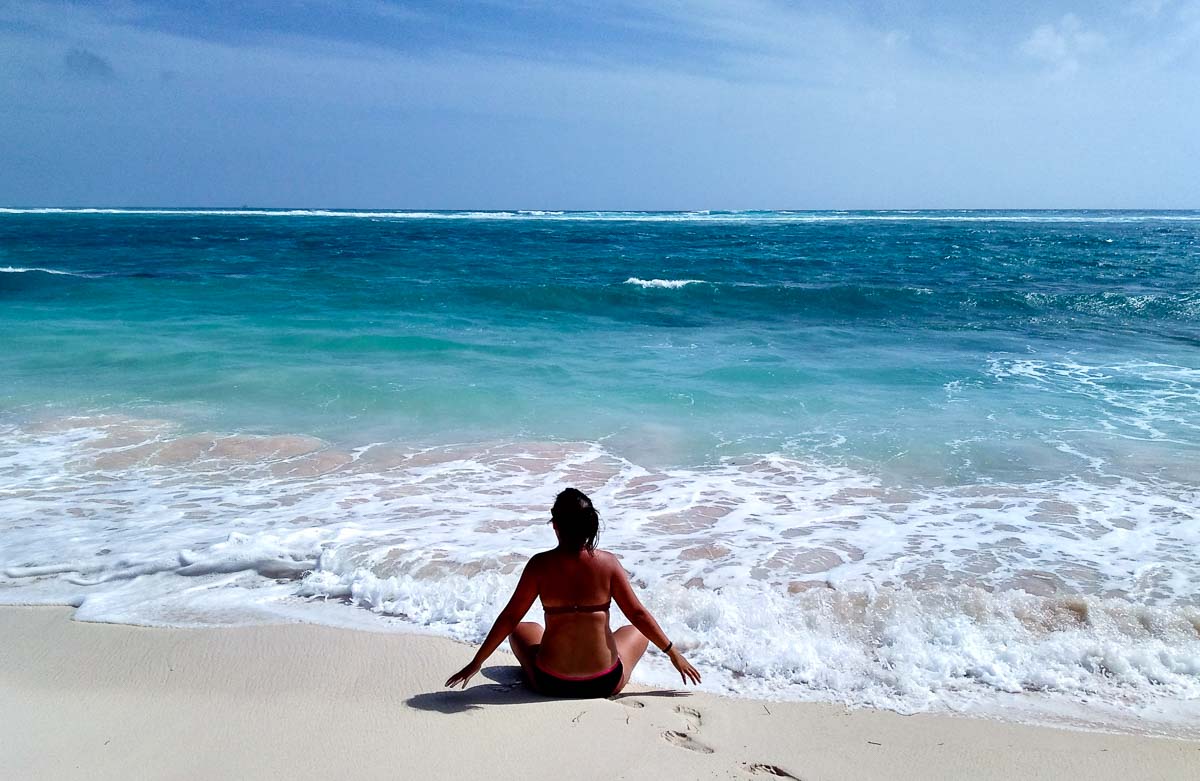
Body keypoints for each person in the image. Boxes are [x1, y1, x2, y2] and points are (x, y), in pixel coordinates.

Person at [445, 487, 701, 698]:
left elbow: (509, 617)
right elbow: (637, 614)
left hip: (550, 682)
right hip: (605, 682)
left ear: (555, 524)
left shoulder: (540, 565)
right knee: (636, 632)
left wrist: (477, 662)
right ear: (590, 526)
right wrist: (673, 653)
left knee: (521, 628)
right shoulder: (609, 564)